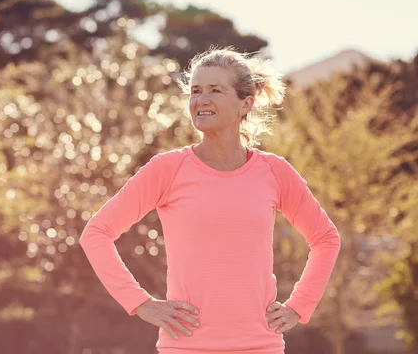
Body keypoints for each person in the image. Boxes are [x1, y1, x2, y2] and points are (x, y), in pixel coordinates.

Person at [79, 46, 341, 354]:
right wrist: (141, 304)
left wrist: (298, 307)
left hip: (260, 346)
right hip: (187, 347)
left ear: (246, 104)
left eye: (215, 90)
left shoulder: (275, 172)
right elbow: (96, 234)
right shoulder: (168, 169)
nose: (201, 100)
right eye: (195, 91)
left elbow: (325, 238)